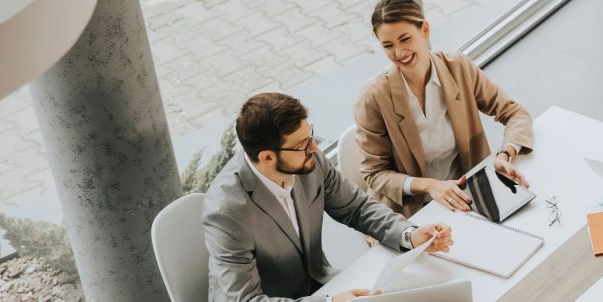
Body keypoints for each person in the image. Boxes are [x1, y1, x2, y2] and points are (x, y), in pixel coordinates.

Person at [202, 93, 453, 302]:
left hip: (322, 285)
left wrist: (409, 235)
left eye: (310, 135)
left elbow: (356, 208)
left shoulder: (307, 160)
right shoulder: (226, 211)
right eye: (302, 145)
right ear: (267, 157)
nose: (314, 148)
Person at [354, 0, 535, 217]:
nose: (399, 52)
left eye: (405, 39)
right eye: (388, 45)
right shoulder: (373, 96)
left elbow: (515, 112)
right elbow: (375, 174)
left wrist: (505, 154)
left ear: (425, 30)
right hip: (410, 210)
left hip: (468, 196)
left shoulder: (458, 67)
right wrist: (429, 185)